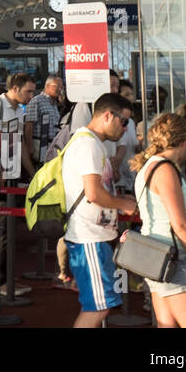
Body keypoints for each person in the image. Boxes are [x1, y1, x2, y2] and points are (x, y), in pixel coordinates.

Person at [129, 112, 186, 327]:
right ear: (184, 142)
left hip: (158, 256)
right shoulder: (165, 169)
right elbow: (180, 224)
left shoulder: (149, 166)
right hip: (174, 258)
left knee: (166, 324)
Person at [61, 93, 136, 327]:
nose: (126, 129)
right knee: (98, 308)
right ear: (107, 116)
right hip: (89, 237)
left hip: (94, 236)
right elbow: (93, 193)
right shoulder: (87, 144)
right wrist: (124, 203)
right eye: (124, 122)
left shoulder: (93, 143)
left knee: (99, 306)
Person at [0, 72, 34, 179]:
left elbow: (19, 142)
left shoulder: (19, 110)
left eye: (32, 92)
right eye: (28, 91)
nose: (31, 96)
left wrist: (33, 174)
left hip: (11, 168)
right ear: (15, 88)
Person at [26, 76, 63, 166]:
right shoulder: (37, 101)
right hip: (39, 144)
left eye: (61, 87)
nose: (60, 89)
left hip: (51, 145)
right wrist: (30, 147)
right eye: (57, 86)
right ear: (47, 86)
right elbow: (29, 125)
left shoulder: (54, 103)